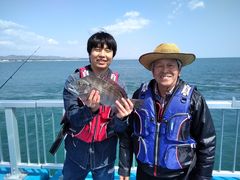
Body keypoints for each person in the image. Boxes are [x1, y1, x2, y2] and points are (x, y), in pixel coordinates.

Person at [118, 43, 216, 180]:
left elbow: (207, 143)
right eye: (159, 66)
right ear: (152, 71)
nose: (165, 70)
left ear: (179, 70)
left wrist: (203, 177)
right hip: (144, 173)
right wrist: (124, 168)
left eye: (170, 65)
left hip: (182, 175)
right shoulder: (139, 95)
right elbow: (128, 134)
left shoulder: (195, 99)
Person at [62, 31, 134, 180]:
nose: (102, 54)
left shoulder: (119, 85)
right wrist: (91, 109)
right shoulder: (75, 81)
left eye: (108, 50)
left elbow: (121, 131)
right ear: (89, 53)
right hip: (75, 155)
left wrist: (121, 118)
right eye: (97, 49)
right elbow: (73, 119)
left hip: (105, 158)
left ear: (113, 55)